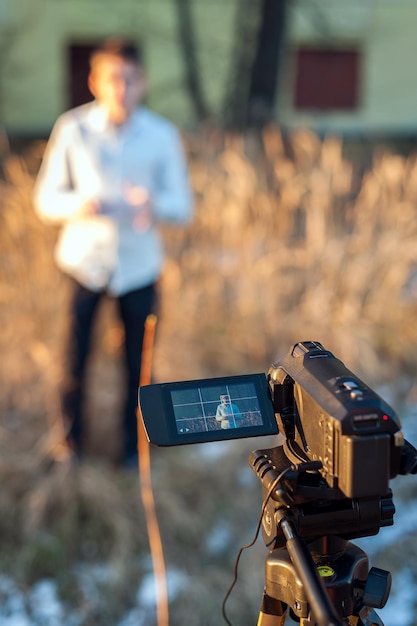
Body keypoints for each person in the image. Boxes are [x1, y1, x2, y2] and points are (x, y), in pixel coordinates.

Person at [33, 38, 193, 465]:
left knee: (139, 367)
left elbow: (183, 205)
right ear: (94, 82)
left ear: (143, 82)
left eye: (130, 79)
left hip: (140, 267)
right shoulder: (72, 128)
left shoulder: (162, 135)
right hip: (83, 263)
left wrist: (151, 205)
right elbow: (45, 199)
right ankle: (69, 446)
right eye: (112, 78)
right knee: (74, 359)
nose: (121, 88)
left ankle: (133, 449)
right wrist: (78, 205)